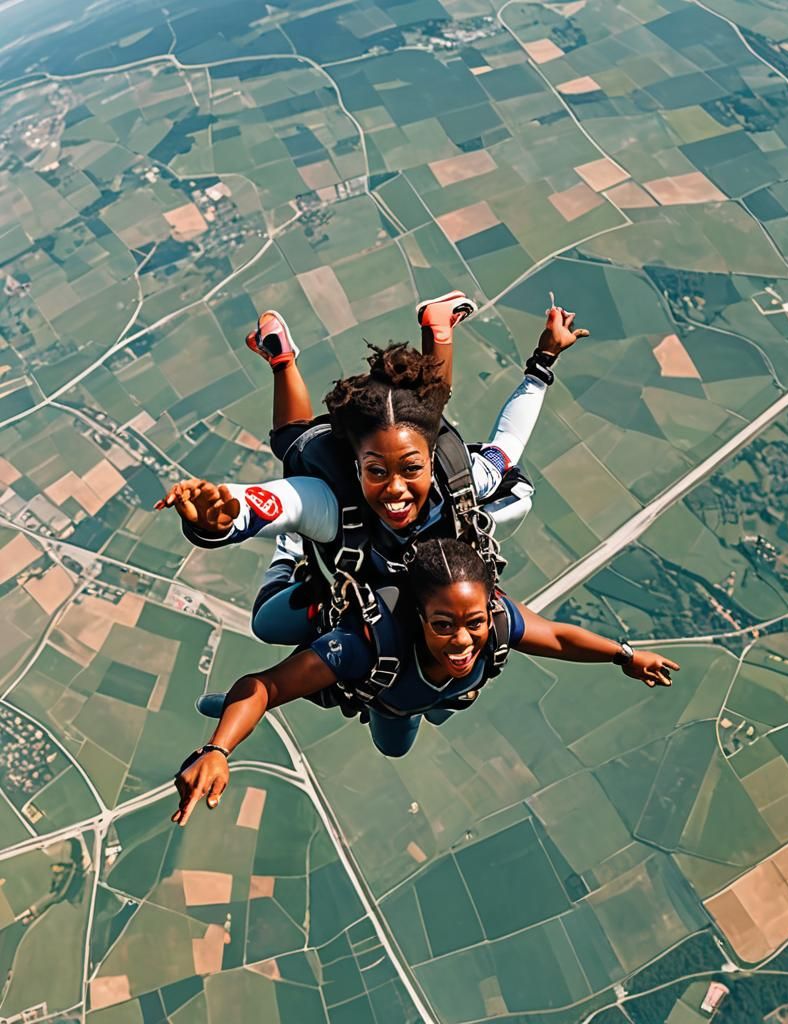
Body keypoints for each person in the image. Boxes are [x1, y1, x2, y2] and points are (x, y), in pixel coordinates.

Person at [156, 301, 588, 645]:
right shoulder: (328, 501)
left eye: (411, 470)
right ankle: (283, 362)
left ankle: (435, 330)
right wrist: (226, 518)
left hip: (421, 473)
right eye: (376, 471)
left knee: (427, 419)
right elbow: (273, 503)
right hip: (337, 532)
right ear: (354, 464)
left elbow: (507, 449)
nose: (396, 490)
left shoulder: (460, 479)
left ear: (432, 460)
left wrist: (545, 359)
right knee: (269, 624)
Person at [171, 539, 679, 825]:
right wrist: (218, 750)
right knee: (392, 734)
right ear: (416, 617)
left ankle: (428, 702)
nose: (463, 640)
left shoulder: (498, 619)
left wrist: (625, 655)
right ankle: (286, 558)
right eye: (443, 625)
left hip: (423, 698)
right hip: (385, 694)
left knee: (426, 715)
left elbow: (560, 638)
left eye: (473, 621)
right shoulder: (362, 645)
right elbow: (267, 686)